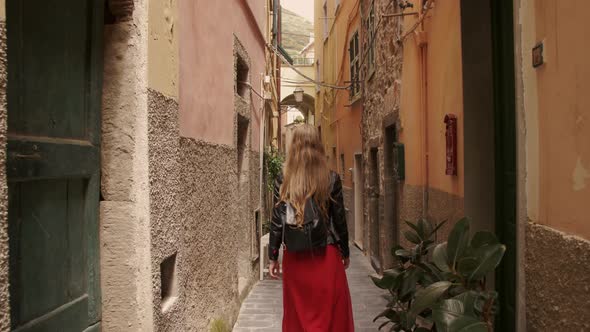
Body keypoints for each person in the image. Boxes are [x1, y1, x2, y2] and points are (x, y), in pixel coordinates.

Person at [268, 124, 354, 331]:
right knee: (331, 316)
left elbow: (278, 220)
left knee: (298, 316)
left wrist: (273, 256)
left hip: (296, 260)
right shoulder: (331, 178)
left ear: (294, 147)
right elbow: (339, 219)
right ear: (318, 146)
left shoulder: (284, 180)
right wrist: (345, 251)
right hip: (327, 255)